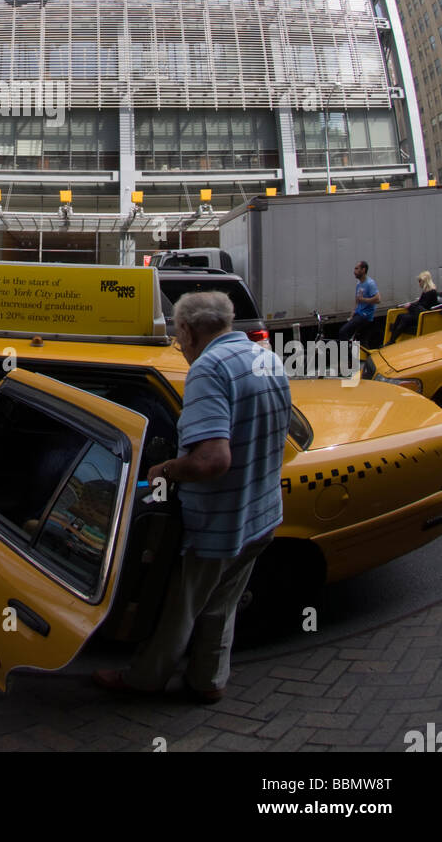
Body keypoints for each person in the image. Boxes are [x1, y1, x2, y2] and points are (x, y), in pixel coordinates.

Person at [93, 290, 291, 702]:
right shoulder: (264, 356)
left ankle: (144, 679)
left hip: (219, 522)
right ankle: (208, 681)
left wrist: (162, 470)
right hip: (263, 513)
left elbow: (210, 460)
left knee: (179, 609)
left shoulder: (208, 369)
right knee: (221, 604)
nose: (178, 344)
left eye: (178, 334)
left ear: (187, 330)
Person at [387, 271, 438, 343]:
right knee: (399, 316)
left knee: (404, 319)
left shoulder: (431, 292)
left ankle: (392, 341)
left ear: (424, 281)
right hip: (419, 313)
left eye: (419, 281)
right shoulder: (427, 291)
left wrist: (410, 306)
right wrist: (417, 302)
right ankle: (391, 339)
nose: (419, 283)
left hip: (423, 316)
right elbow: (421, 304)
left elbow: (423, 306)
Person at [338, 261, 380, 345]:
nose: (354, 271)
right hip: (358, 313)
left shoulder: (370, 283)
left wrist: (363, 299)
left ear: (363, 270)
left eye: (357, 269)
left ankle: (347, 356)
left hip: (365, 315)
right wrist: (352, 313)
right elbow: (357, 300)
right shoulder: (359, 284)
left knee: (343, 332)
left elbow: (378, 299)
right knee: (361, 341)